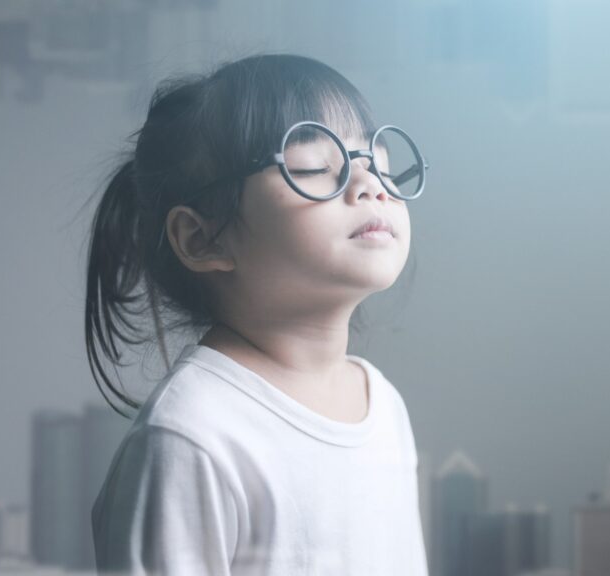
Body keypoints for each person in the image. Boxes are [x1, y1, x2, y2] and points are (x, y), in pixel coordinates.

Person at [84, 53, 430, 575]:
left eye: (377, 159)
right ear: (203, 238)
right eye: (315, 167)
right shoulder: (190, 434)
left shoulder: (383, 405)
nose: (371, 184)